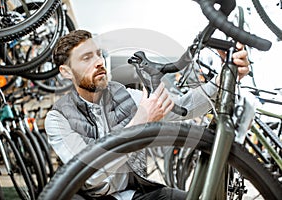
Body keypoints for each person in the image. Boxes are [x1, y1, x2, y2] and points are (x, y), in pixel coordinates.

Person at [45, 29, 250, 200]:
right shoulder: (58, 118)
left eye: (98, 54)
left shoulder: (124, 95)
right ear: (66, 72)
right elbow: (91, 175)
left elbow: (184, 107)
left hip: (135, 193)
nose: (99, 62)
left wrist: (227, 75)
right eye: (86, 58)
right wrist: (142, 120)